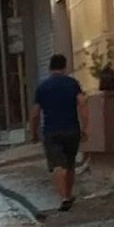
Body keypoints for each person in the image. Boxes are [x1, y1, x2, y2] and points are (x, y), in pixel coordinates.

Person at [29, 54, 88, 211]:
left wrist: (33, 132)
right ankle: (68, 193)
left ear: (50, 68)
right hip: (72, 129)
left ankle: (63, 198)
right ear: (64, 67)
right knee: (70, 164)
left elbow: (35, 113)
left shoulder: (42, 87)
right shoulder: (73, 84)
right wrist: (85, 127)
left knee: (57, 165)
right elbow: (82, 103)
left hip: (51, 131)